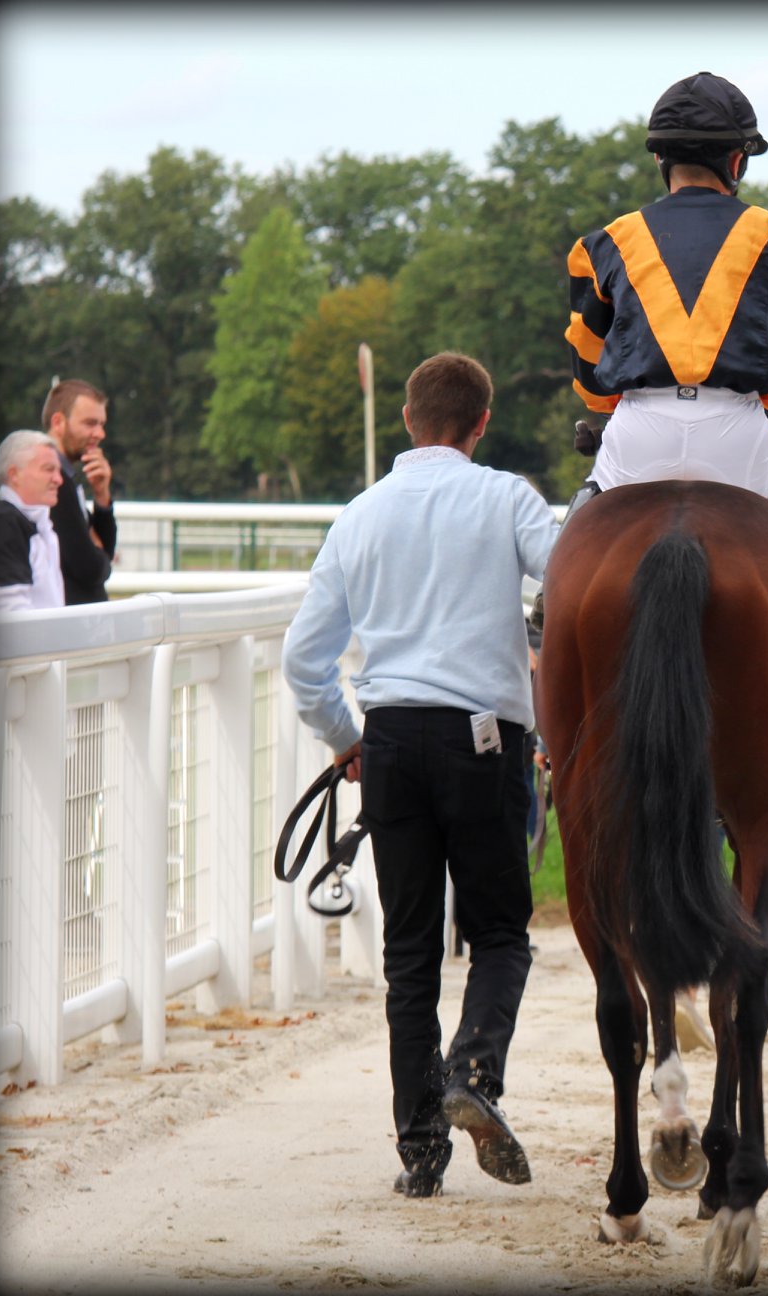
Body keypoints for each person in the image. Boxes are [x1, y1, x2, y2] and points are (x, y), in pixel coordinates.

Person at [281, 352, 557, 1199]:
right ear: (481, 424)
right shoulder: (508, 497)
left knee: (409, 956)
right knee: (501, 933)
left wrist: (344, 737)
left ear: (407, 418)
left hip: (391, 739)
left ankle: (421, 1153)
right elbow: (573, 573)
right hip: (483, 739)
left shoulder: (360, 516)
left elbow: (304, 659)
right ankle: (473, 1067)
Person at [559, 71, 768, 588]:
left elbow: (588, 370)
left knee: (571, 555)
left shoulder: (600, 244)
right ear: (737, 162)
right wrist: (760, 406)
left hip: (639, 431)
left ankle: (546, 611)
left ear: (659, 160)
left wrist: (612, 410)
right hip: (736, 433)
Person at [40, 379, 117, 604]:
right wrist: (98, 551)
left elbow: (104, 555)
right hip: (70, 626)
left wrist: (102, 495)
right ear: (58, 422)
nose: (100, 433)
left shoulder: (67, 477)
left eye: (102, 424)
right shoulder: (55, 482)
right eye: (90, 423)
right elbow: (91, 570)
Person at [0, 430, 67, 614]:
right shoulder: (4, 524)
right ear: (14, 474)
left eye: (59, 471)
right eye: (48, 469)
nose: (58, 479)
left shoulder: (37, 525)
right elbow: (13, 612)